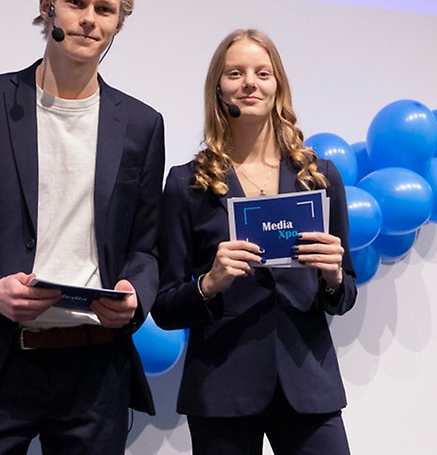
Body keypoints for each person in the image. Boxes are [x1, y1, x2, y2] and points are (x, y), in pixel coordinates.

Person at [0, 0, 165, 454]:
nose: (89, 20)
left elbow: (146, 248)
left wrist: (135, 294)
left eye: (104, 9)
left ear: (119, 23)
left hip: (95, 373)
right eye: (76, 3)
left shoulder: (142, 125)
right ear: (47, 6)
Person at [151, 29, 356, 455]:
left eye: (263, 73)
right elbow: (166, 307)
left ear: (277, 86)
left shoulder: (319, 178)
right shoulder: (187, 184)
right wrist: (209, 283)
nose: (250, 82)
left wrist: (334, 276)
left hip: (308, 385)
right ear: (218, 88)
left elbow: (343, 296)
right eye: (235, 73)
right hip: (222, 388)